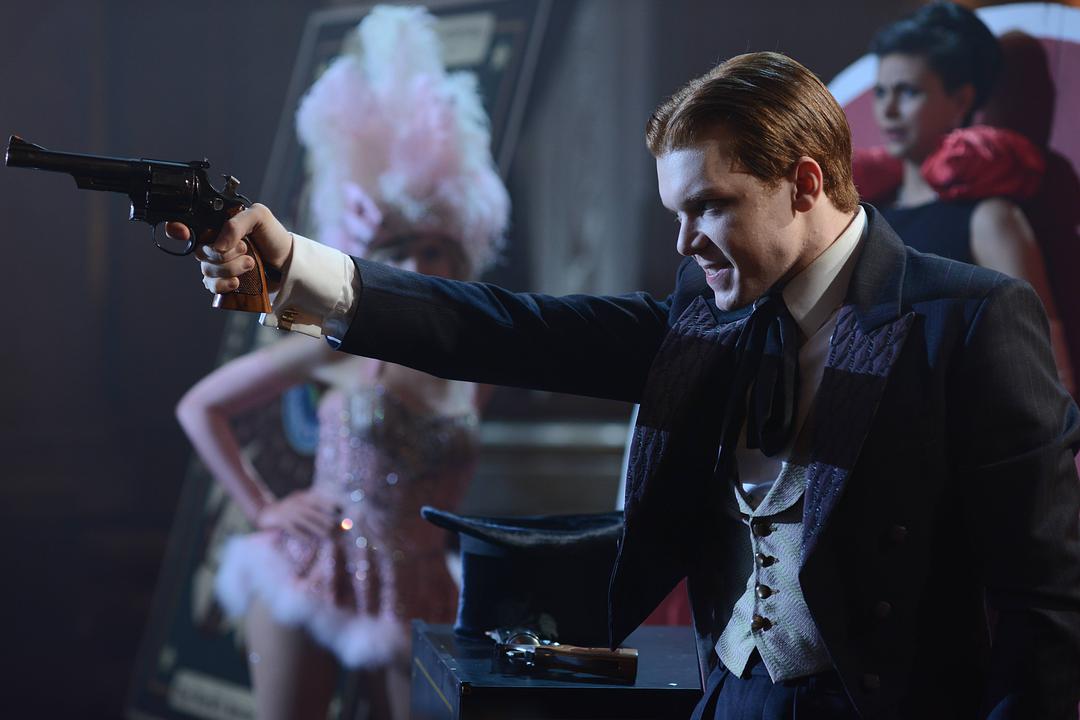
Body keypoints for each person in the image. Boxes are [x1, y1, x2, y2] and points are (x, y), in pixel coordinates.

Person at [186, 50, 1080, 719]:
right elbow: (511, 330)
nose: (685, 243)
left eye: (710, 206)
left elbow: (1044, 605)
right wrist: (296, 266)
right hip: (731, 694)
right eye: (675, 213)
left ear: (805, 182)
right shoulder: (705, 310)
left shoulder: (968, 320)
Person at [175, 7, 508, 720]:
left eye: (435, 251)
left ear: (461, 258)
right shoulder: (336, 342)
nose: (419, 265)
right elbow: (200, 406)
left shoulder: (477, 366)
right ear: (373, 260)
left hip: (420, 587)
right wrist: (265, 507)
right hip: (315, 566)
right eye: (400, 251)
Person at [863, 1, 1074, 392]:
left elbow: (1045, 373)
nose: (888, 110)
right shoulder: (869, 216)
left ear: (961, 101)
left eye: (908, 92)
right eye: (880, 92)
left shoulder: (989, 219)